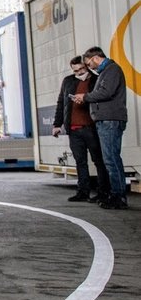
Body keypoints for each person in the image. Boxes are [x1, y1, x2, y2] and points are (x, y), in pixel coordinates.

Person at [73, 47, 129, 209]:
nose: (90, 67)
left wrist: (86, 97)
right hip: (106, 120)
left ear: (96, 58)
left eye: (89, 63)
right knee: (110, 159)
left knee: (111, 159)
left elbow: (106, 92)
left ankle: (119, 197)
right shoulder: (106, 72)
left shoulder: (112, 70)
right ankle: (116, 195)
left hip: (110, 120)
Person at [51, 55, 109, 202]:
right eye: (76, 71)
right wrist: (57, 124)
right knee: (80, 161)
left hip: (92, 128)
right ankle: (83, 192)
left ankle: (103, 192)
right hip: (74, 129)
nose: (79, 73)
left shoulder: (96, 79)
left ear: (87, 66)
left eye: (82, 69)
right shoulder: (68, 81)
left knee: (99, 160)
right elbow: (61, 103)